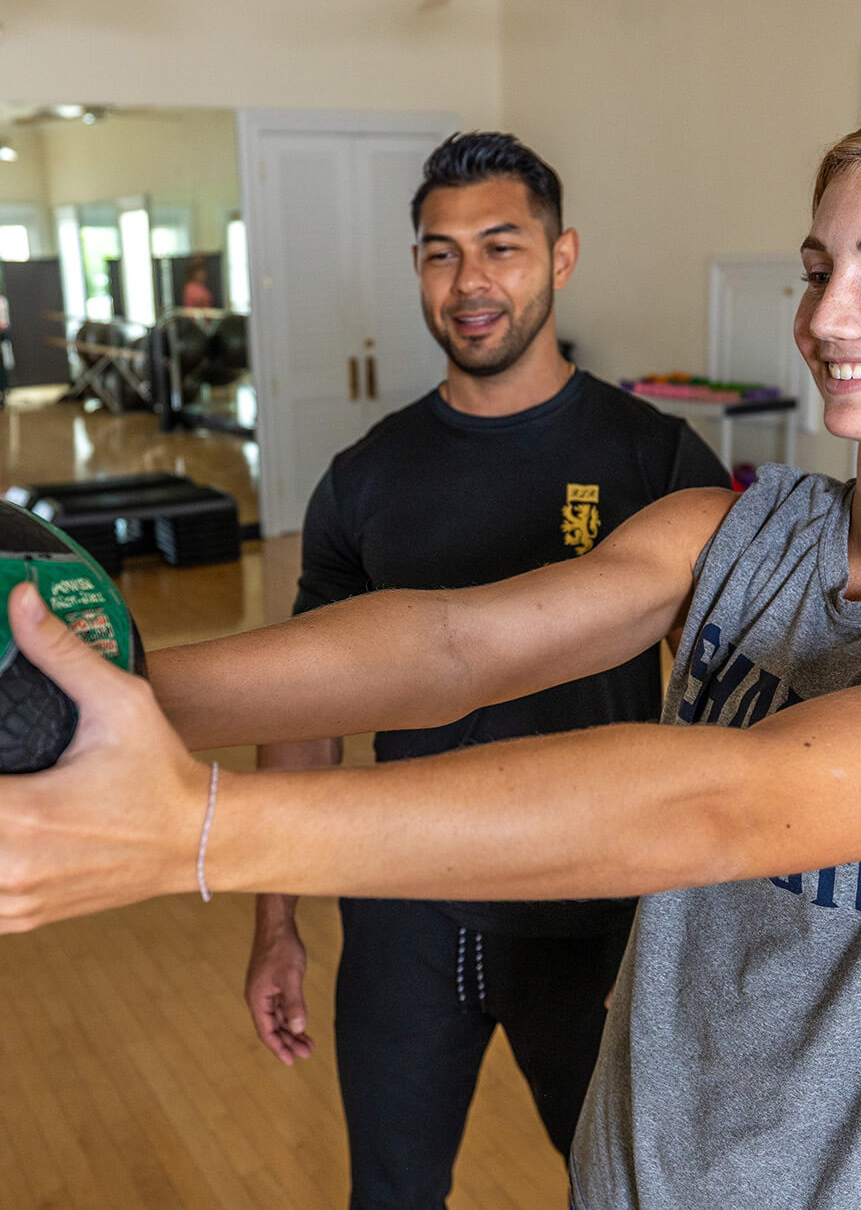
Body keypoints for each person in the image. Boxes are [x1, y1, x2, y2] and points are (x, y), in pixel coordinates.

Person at [6, 103, 861, 1206]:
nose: (827, 314)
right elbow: (455, 642)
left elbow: (718, 805)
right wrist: (73, 690)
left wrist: (193, 831)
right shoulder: (737, 530)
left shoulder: (666, 469)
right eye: (817, 267)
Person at [243, 131, 729, 1208]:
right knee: (392, 1194)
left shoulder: (651, 458)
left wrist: (692, 937)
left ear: (559, 258)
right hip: (400, 909)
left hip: (588, 912)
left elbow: (715, 710)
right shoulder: (362, 478)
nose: (468, 283)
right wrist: (276, 922)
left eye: (500, 247)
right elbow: (307, 701)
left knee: (623, 1190)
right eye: (438, 252)